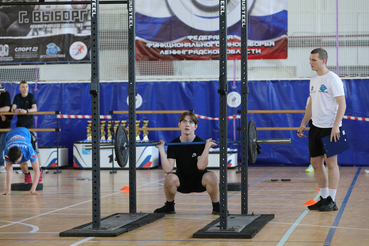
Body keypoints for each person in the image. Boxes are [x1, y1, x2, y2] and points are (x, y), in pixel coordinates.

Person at [297, 48, 346, 212]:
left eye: (314, 60)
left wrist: (335, 126)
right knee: (316, 163)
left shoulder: (333, 79)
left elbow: (342, 104)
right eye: (310, 59)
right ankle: (324, 198)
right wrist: (304, 123)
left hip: (331, 128)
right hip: (315, 127)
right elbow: (311, 104)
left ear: (323, 61)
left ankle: (332, 199)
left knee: (332, 164)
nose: (310, 63)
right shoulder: (313, 80)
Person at [154, 111, 220, 214]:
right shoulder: (174, 144)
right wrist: (161, 150)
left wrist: (207, 146)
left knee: (212, 176)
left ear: (195, 126)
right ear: (179, 125)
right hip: (182, 181)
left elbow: (201, 166)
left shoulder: (200, 143)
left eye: (191, 122)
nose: (187, 125)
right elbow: (168, 169)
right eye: (184, 121)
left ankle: (217, 207)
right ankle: (169, 206)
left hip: (199, 181)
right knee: (169, 178)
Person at [2, 127, 41, 195]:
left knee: (34, 162)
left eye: (16, 161)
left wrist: (33, 188)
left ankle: (35, 176)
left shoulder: (29, 150)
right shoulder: (6, 151)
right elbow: (9, 170)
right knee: (22, 163)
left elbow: (36, 170)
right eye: (14, 162)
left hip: (25, 133)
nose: (15, 163)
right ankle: (27, 174)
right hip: (10, 134)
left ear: (21, 154)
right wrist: (8, 190)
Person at [11, 80, 41, 164]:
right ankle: (24, 168)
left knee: (35, 148)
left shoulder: (31, 96)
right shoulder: (17, 97)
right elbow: (12, 109)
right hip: (20, 127)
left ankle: (39, 167)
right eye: (23, 87)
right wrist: (15, 110)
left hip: (30, 127)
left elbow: (35, 109)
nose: (25, 88)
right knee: (20, 148)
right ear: (19, 88)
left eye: (26, 86)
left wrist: (27, 111)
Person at [0, 84, 12, 173]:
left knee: (2, 144)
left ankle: (1, 164)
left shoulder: (6, 94)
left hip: (5, 124)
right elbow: (3, 109)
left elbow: (7, 108)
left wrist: (3, 111)